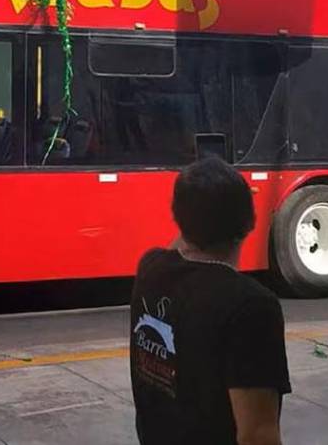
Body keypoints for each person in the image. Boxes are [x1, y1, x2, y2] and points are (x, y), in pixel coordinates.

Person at [130, 157, 289, 445]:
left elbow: (184, 239)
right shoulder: (250, 306)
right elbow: (257, 434)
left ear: (178, 217)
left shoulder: (151, 268)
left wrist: (204, 202)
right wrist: (229, 203)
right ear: (250, 222)